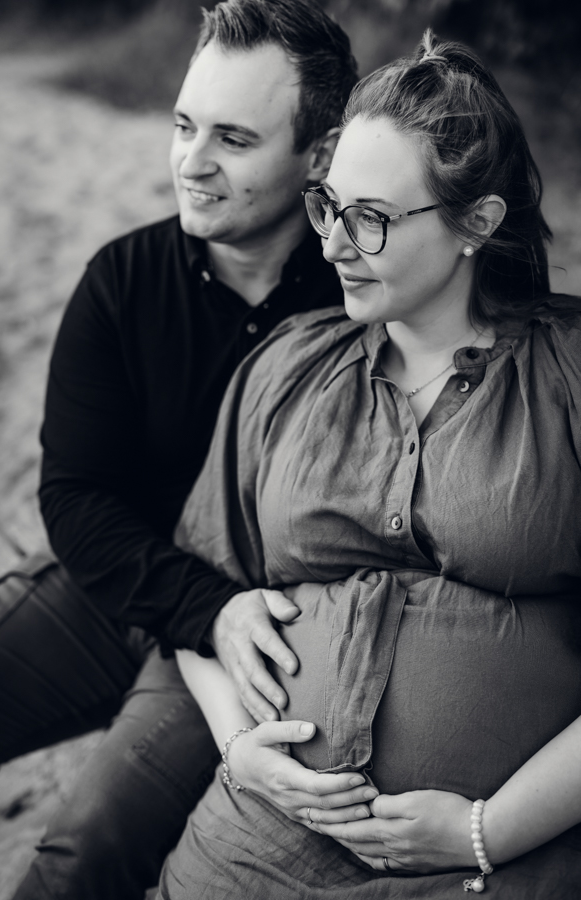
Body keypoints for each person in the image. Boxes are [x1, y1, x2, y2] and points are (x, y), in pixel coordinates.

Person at [155, 29, 581, 899]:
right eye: (328, 207)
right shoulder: (288, 365)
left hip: (497, 861)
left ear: (477, 223)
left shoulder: (567, 376)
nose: (333, 247)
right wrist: (239, 747)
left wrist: (486, 830)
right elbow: (199, 587)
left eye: (371, 219)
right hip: (258, 836)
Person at [0, 2, 361, 898]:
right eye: (184, 125)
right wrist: (199, 606)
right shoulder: (122, 279)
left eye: (233, 138)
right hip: (125, 584)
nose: (191, 161)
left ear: (320, 155)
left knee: (85, 851)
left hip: (262, 641)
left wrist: (226, 620)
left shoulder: (361, 294)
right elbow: (75, 499)